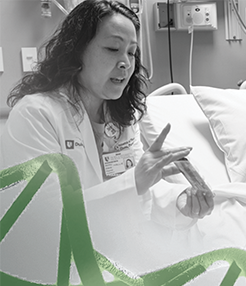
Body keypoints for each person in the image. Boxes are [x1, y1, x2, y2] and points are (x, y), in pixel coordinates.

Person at [0, 0, 214, 222]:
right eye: (113, 48)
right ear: (77, 50)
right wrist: (133, 183)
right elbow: (45, 215)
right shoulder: (36, 116)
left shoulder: (122, 117)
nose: (126, 63)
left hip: (122, 243)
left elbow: (142, 195)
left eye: (131, 53)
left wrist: (180, 205)